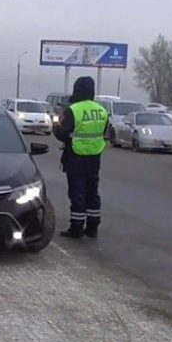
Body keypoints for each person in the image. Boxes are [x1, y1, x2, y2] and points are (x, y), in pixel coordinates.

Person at [53, 76, 109, 238]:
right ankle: (92, 227)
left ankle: (76, 227)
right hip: (94, 157)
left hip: (76, 156)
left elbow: (63, 134)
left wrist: (56, 127)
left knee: (77, 192)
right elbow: (104, 131)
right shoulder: (101, 110)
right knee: (92, 191)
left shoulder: (73, 110)